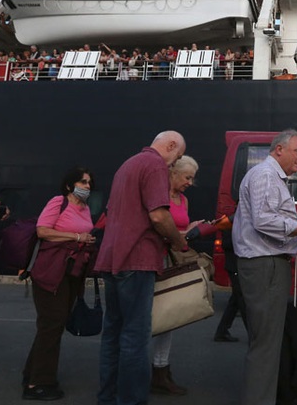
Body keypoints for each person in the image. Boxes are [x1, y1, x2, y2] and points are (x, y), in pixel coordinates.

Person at [232, 129, 297, 405]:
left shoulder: (269, 176)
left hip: (267, 265)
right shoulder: (266, 175)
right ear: (279, 149)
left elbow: (267, 222)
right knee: (266, 345)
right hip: (265, 267)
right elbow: (264, 220)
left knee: (266, 342)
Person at [95, 131, 187, 405]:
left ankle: (107, 398)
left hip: (113, 258)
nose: (174, 163)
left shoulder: (128, 164)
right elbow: (159, 215)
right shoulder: (155, 165)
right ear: (170, 145)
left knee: (112, 334)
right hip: (137, 259)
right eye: (177, 156)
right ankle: (132, 400)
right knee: (135, 337)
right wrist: (177, 239)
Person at [22, 167, 98, 401]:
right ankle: (38, 384)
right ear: (69, 186)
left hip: (72, 273)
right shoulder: (58, 202)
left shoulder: (85, 209)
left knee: (54, 324)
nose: (87, 186)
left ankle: (31, 374)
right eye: (83, 182)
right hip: (51, 271)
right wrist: (77, 237)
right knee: (51, 325)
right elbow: (43, 230)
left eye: (89, 183)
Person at [151, 155, 204, 395]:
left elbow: (178, 229)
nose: (190, 183)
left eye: (192, 178)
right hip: (153, 260)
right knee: (147, 316)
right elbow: (155, 223)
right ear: (173, 174)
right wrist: (178, 233)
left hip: (171, 259)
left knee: (168, 316)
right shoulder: (158, 196)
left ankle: (161, 369)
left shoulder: (183, 200)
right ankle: (146, 371)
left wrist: (191, 230)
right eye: (187, 177)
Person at [213, 226, 248, 342]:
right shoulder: (232, 223)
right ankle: (253, 333)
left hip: (237, 264)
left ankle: (222, 331)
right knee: (242, 300)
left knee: (236, 300)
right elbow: (226, 243)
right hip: (235, 264)